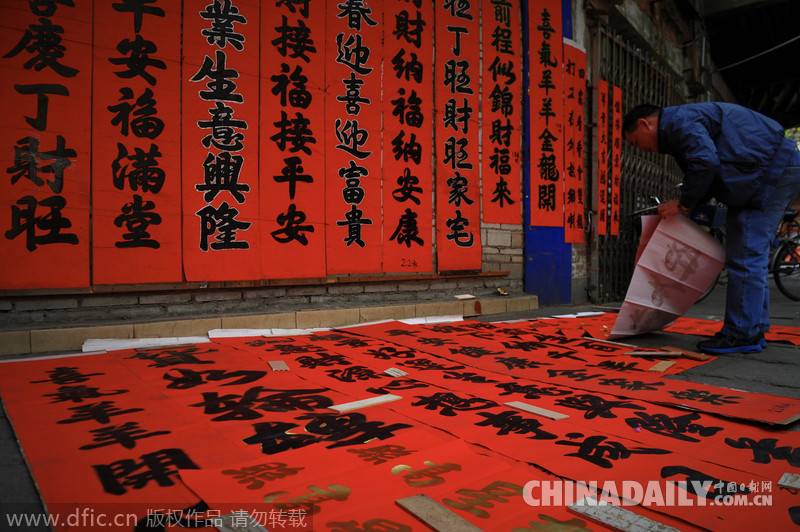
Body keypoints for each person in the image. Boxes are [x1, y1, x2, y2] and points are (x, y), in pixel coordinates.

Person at [622, 102, 800, 354]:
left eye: (635, 142)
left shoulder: (678, 122)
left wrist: (684, 205)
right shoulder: (679, 125)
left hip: (772, 172)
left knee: (746, 253)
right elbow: (705, 169)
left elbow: (705, 162)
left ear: (644, 124)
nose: (641, 149)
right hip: (767, 171)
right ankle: (753, 328)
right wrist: (688, 205)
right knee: (750, 252)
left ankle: (742, 334)